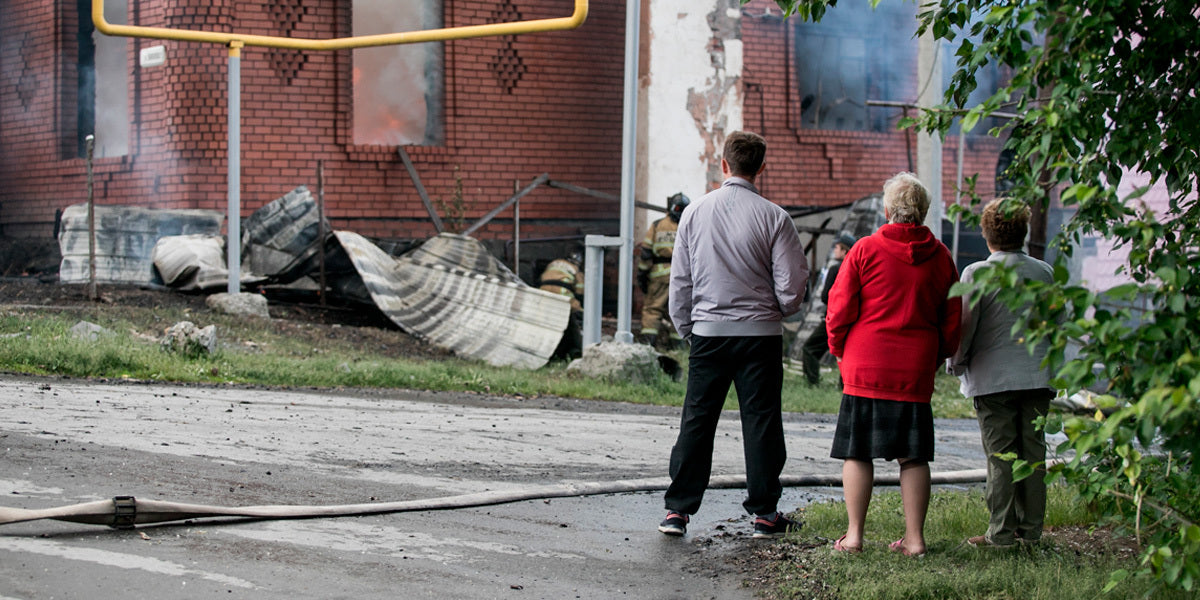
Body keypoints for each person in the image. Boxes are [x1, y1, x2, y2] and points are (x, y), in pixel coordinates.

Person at [658, 131, 810, 539]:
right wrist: (775, 311)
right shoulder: (775, 217)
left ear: (723, 164)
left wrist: (687, 327)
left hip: (708, 333)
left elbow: (680, 282)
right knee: (761, 422)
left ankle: (677, 511)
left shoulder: (693, 214)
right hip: (760, 336)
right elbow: (792, 290)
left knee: (697, 419)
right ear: (762, 168)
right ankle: (765, 514)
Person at [825, 172, 961, 556]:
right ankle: (915, 540)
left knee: (858, 451)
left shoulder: (864, 250)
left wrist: (839, 349)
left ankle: (853, 537)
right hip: (914, 369)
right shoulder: (942, 258)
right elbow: (952, 320)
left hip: (865, 366)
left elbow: (839, 309)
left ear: (887, 210)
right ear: (924, 213)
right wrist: (934, 359)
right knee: (913, 456)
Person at [949, 199, 1055, 548]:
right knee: (1033, 456)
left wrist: (957, 363)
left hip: (993, 381)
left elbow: (967, 326)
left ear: (987, 234)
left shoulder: (976, 274)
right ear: (1024, 234)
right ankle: (1032, 531)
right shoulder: (1043, 272)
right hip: (1038, 377)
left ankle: (1001, 534)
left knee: (1000, 458)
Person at [799, 232, 856, 386]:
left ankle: (812, 382)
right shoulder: (857, 268)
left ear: (844, 250)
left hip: (833, 318)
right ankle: (845, 386)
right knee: (847, 354)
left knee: (810, 349)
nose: (835, 250)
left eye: (837, 247)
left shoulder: (835, 269)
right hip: (852, 320)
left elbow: (825, 296)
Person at [638, 193, 690, 350]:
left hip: (658, 277)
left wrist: (642, 276)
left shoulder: (657, 225)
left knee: (653, 310)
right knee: (680, 311)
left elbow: (646, 253)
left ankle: (648, 347)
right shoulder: (689, 226)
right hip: (683, 276)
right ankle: (679, 349)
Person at [538, 253, 585, 360]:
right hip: (562, 292)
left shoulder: (553, 264)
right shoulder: (576, 269)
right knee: (577, 311)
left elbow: (541, 277)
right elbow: (580, 290)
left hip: (544, 292)